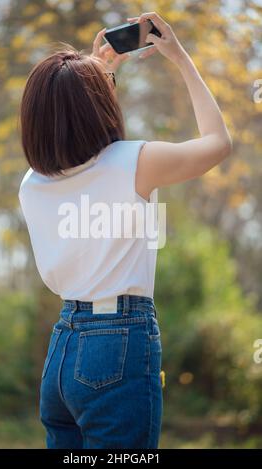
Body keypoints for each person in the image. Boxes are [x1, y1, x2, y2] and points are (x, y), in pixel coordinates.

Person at [18, 11, 232, 450]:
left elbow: (86, 147)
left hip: (63, 347)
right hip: (118, 339)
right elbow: (218, 143)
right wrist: (179, 56)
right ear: (97, 107)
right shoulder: (135, 163)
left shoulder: (31, 185)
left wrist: (102, 77)